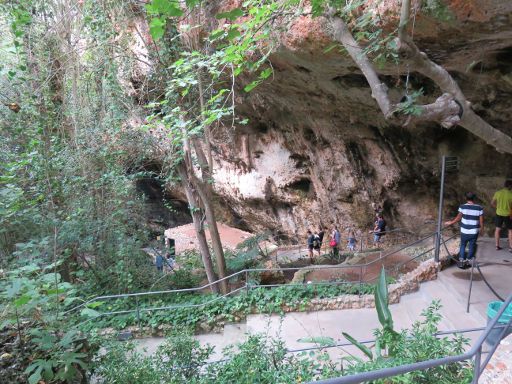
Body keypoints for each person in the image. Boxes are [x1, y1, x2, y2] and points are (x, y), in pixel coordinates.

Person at [445, 192, 484, 268]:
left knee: (463, 245)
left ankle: (461, 261)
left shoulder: (462, 207)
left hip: (464, 231)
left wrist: (451, 222)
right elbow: (481, 221)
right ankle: (468, 261)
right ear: (474, 198)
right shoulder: (479, 208)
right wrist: (482, 229)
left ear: (466, 198)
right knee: (472, 246)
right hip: (474, 231)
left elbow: (458, 218)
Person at [491, 180, 512, 252]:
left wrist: (498, 207)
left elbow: (492, 203)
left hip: (498, 213)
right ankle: (511, 247)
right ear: (510, 186)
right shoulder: (511, 194)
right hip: (508, 214)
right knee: (510, 230)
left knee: (497, 229)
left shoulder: (498, 193)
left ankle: (497, 246)